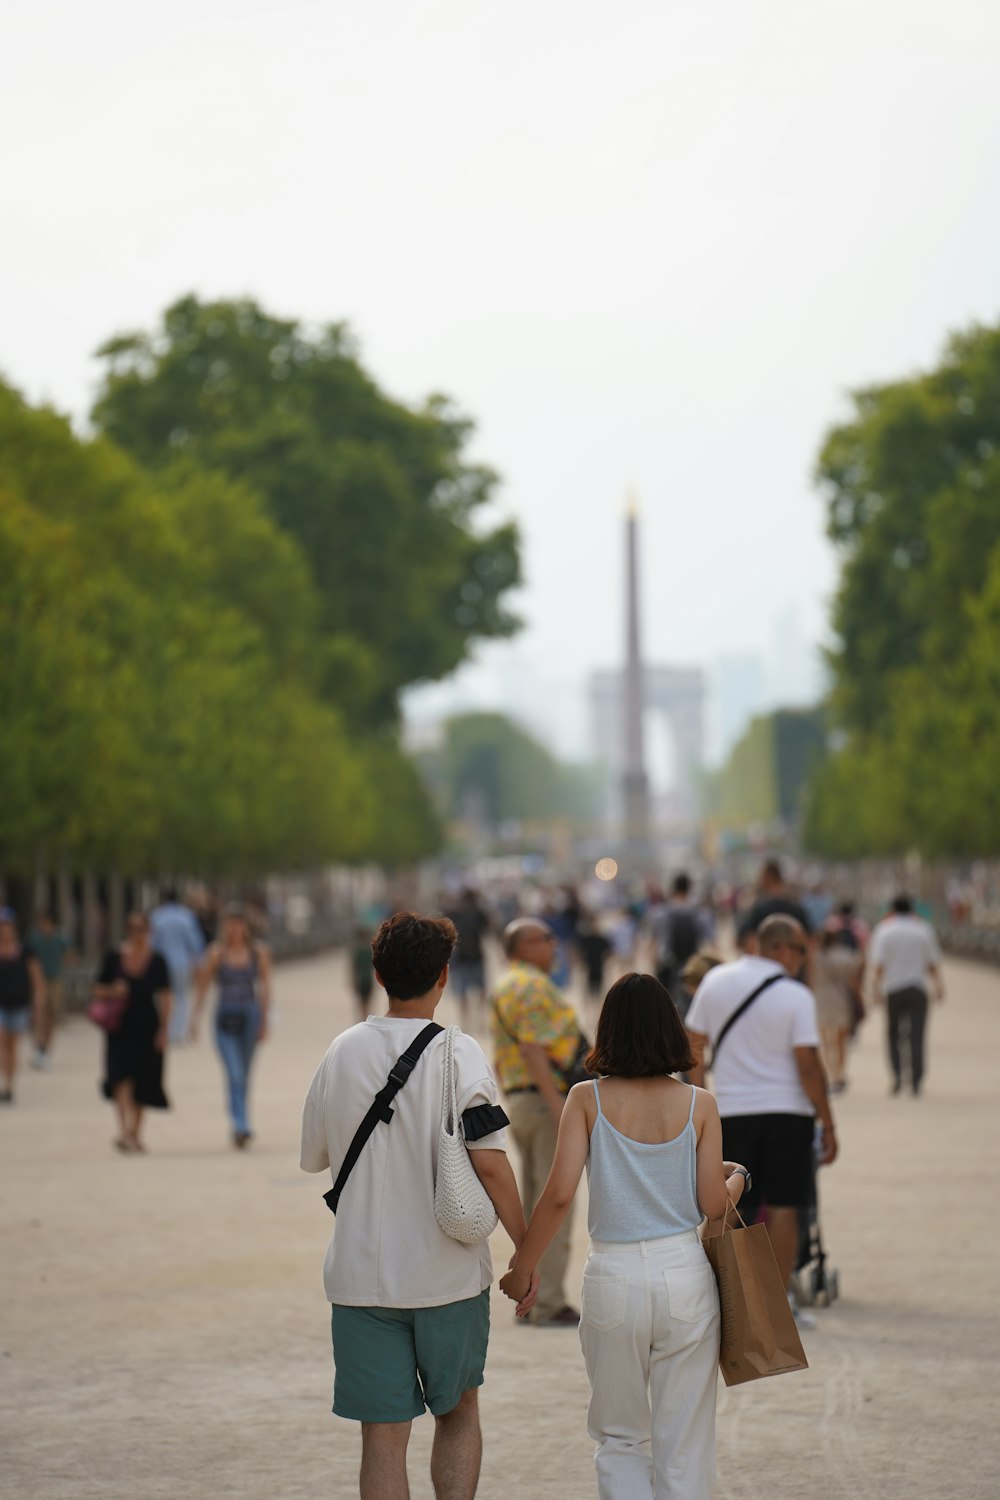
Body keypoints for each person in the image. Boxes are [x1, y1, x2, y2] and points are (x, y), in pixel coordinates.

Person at [300, 912, 528, 1500]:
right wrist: (526, 1251)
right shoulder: (461, 1054)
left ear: (377, 973)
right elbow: (492, 1164)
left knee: (381, 1436)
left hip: (361, 1278)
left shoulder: (342, 1051)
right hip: (447, 1274)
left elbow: (316, 1154)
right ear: (445, 976)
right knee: (458, 1412)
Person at [500, 973, 749, 1500]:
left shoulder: (585, 1098)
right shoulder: (699, 1103)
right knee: (685, 1438)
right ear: (670, 1031)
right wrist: (740, 1177)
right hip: (683, 1273)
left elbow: (560, 1195)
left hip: (612, 1276)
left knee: (619, 1436)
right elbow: (711, 1206)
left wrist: (524, 1267)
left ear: (607, 1030)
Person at [684, 914, 837, 1313]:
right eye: (803, 950)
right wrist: (828, 1122)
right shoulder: (796, 995)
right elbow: (807, 1064)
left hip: (732, 1110)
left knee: (725, 1204)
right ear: (783, 948)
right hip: (789, 1113)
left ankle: (703, 1293)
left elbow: (693, 1044)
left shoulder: (717, 981)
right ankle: (779, 1300)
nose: (805, 959)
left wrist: (702, 1098)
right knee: (787, 1204)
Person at [490, 917, 585, 1326]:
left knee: (532, 1206)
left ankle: (531, 1296)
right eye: (547, 939)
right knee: (554, 1205)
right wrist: (560, 1104)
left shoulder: (505, 984)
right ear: (525, 945)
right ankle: (547, 1301)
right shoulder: (531, 985)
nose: (554, 945)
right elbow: (532, 1047)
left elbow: (504, 1053)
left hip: (520, 1100)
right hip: (546, 1103)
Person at [191, 907, 272, 1148]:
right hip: (224, 1017)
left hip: (250, 1015)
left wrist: (264, 1021)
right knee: (234, 1072)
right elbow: (203, 986)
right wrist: (194, 1017)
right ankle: (240, 1124)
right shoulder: (216, 953)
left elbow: (266, 988)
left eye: (240, 924)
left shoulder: (258, 953)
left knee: (244, 1074)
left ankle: (242, 1120)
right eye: (231, 924)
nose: (236, 929)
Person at [93, 910, 172, 1152]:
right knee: (120, 1077)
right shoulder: (114, 957)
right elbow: (97, 988)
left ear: (149, 931)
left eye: (142, 929)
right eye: (133, 929)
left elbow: (166, 995)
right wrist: (112, 991)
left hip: (147, 1024)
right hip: (119, 1025)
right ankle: (124, 1131)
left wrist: (164, 1029)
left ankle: (135, 1132)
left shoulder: (157, 960)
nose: (137, 934)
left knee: (144, 1080)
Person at [869, 895, 944, 1097]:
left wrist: (875, 989)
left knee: (893, 1035)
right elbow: (932, 962)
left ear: (892, 910)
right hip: (917, 988)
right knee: (917, 1036)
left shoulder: (884, 930)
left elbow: (878, 965)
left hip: (893, 989)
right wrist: (939, 985)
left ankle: (897, 1077)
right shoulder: (923, 929)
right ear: (912, 910)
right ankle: (916, 1081)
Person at [0, 911, 46, 1104]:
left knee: (13, 1045)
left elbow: (35, 975)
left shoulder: (25, 949)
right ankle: (5, 1079)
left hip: (19, 1003)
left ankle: (9, 1085)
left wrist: (39, 999)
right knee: (2, 1042)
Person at [150, 886, 206, 1044]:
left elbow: (152, 941)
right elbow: (194, 941)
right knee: (181, 997)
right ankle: (178, 1033)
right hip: (182, 962)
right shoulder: (186, 916)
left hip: (161, 963)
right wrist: (199, 960)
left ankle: (164, 1030)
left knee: (162, 998)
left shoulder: (157, 916)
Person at [811, 930, 864, 1091]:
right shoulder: (846, 956)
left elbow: (809, 979)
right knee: (841, 1041)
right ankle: (840, 1073)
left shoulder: (814, 957)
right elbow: (854, 981)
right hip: (840, 999)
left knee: (825, 1041)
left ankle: (830, 1073)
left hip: (820, 999)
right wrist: (859, 999)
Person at [27, 911, 71, 1070]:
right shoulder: (35, 939)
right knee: (40, 1016)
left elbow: (69, 955)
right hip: (39, 981)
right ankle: (39, 1047)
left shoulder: (60, 939)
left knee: (51, 1016)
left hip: (55, 980)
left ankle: (46, 1049)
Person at [647, 874, 706, 994]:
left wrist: (653, 962)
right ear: (689, 889)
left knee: (667, 1002)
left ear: (673, 888)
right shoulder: (698, 912)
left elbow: (653, 941)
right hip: (692, 965)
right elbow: (709, 942)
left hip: (667, 964)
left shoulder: (661, 912)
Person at [737, 858, 813, 946]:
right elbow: (810, 940)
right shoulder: (796, 908)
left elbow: (748, 939)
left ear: (768, 876)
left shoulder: (760, 909)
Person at [443, 889, 491, 1016]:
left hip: (461, 957)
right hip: (475, 955)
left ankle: (466, 1018)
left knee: (462, 991)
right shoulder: (479, 912)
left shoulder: (455, 913)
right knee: (480, 989)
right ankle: (479, 1014)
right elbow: (488, 929)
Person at [349, 923, 375, 1018]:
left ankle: (363, 1018)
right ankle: (366, 1016)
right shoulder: (369, 950)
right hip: (369, 979)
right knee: (368, 1001)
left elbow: (354, 967)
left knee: (361, 1002)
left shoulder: (357, 951)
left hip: (360, 979)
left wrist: (352, 980)